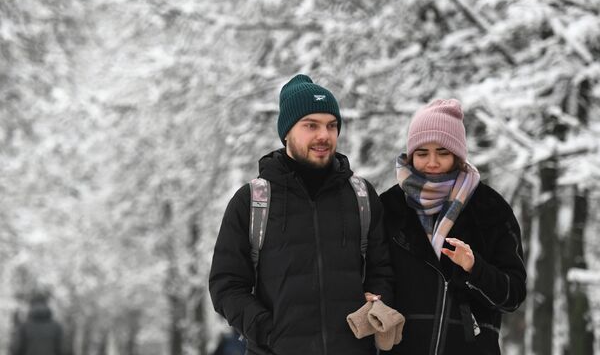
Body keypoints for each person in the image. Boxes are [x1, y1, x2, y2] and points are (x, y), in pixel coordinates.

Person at [209, 74, 393, 355]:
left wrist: (378, 301)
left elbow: (383, 271)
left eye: (332, 126)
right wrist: (268, 331)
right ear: (287, 133)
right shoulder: (254, 201)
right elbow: (227, 285)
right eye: (311, 125)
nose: (324, 135)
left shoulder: (361, 196)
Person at [379, 99, 526, 355]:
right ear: (411, 155)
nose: (432, 162)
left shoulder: (490, 210)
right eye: (422, 153)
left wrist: (475, 268)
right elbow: (370, 276)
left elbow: (513, 295)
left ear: (457, 156)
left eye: (443, 152)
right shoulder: (389, 207)